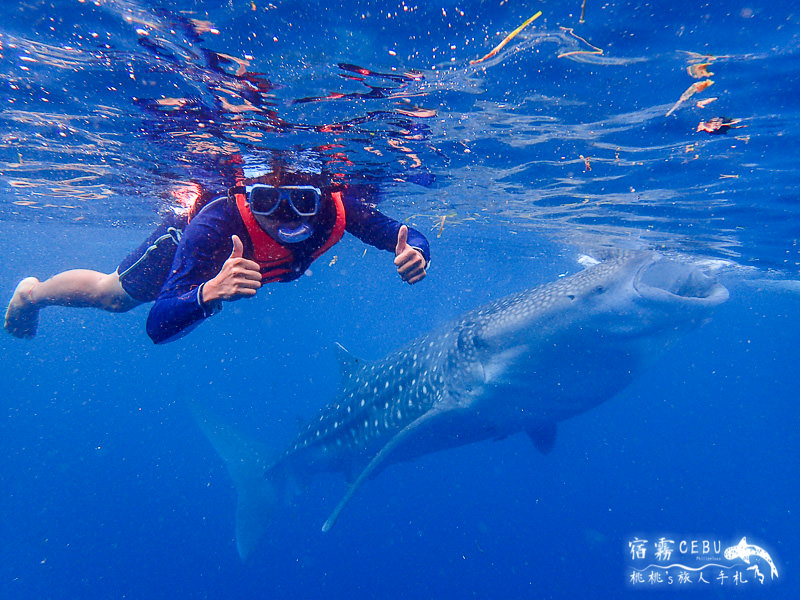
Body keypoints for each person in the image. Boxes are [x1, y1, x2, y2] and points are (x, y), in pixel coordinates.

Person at [4, 159, 429, 343]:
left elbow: (408, 236)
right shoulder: (215, 225)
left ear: (323, 195)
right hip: (187, 249)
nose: (284, 216)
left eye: (301, 200)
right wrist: (206, 292)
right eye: (266, 201)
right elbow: (156, 327)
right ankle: (32, 294)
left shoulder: (341, 210)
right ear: (247, 195)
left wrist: (418, 255)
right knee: (113, 297)